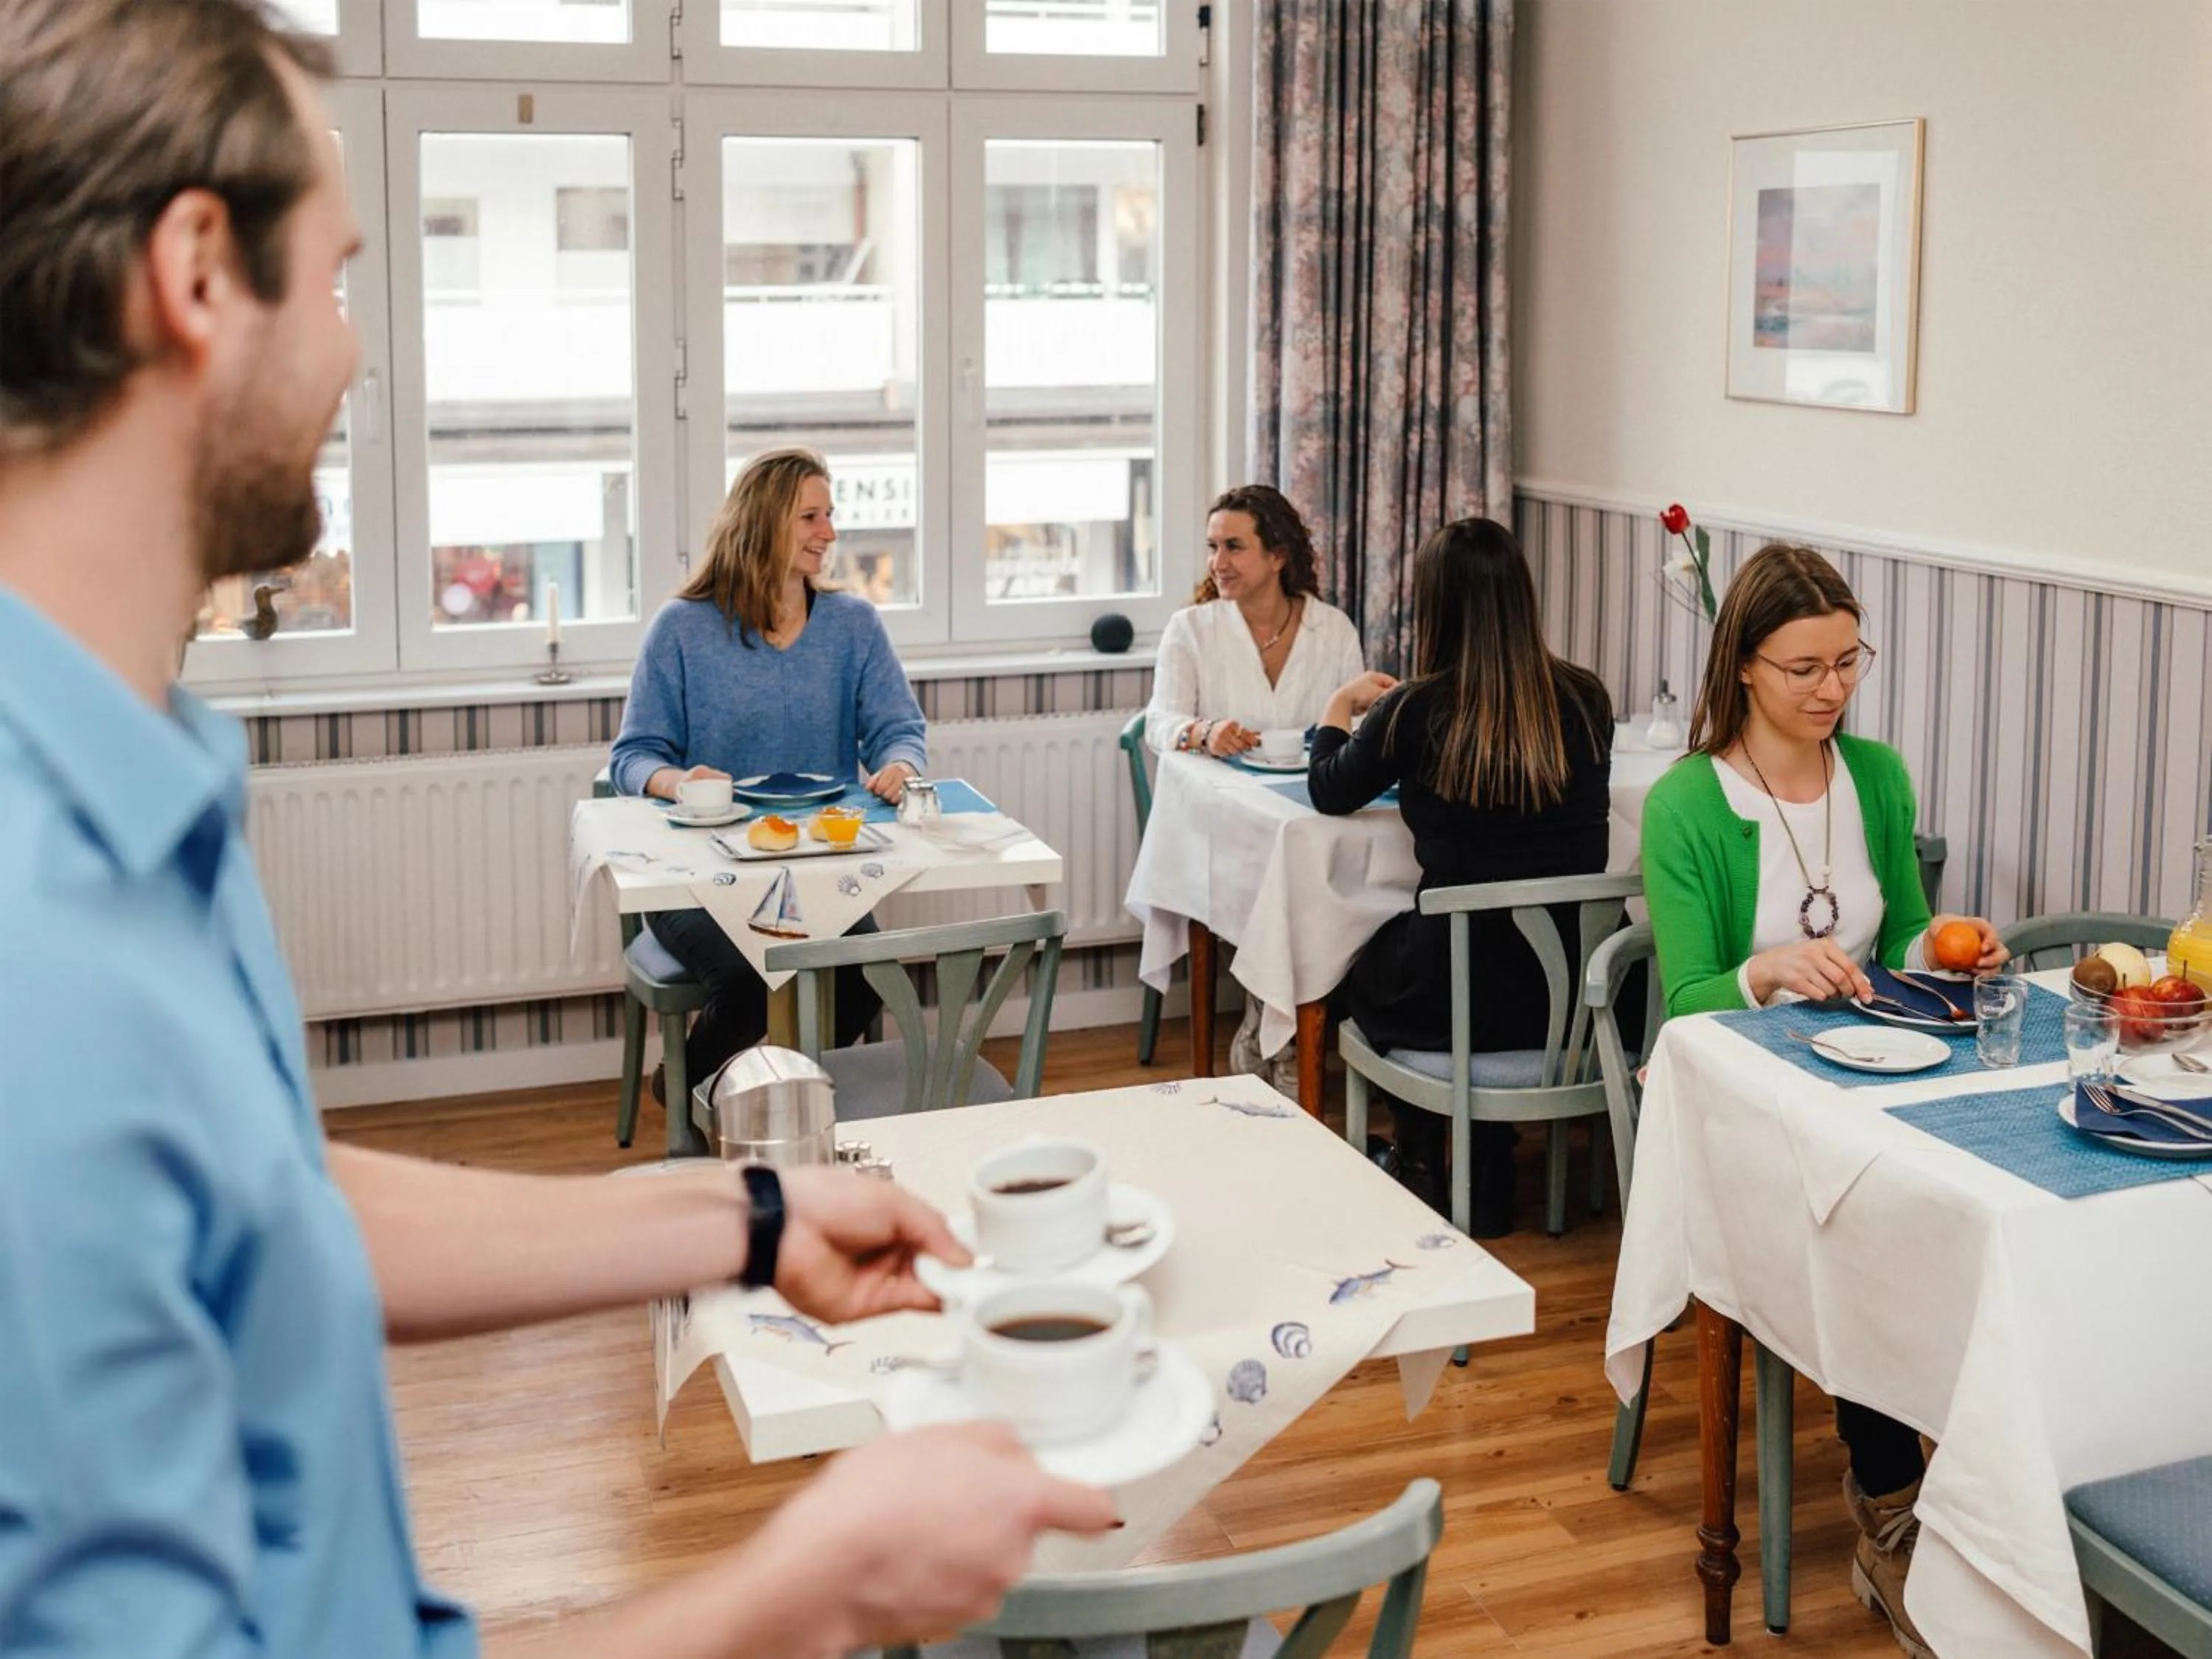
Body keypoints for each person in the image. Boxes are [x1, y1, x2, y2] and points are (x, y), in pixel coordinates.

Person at [0, 5, 1114, 1656]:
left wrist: (745, 1220)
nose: (359, 348)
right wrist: (807, 1585)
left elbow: (265, 1210)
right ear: (195, 275)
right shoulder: (36, 920)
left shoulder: (134, 768)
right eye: (339, 280)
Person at [1639, 541, 2007, 1659]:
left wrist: (1947, 944)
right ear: (1743, 665)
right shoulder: (1686, 803)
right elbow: (1687, 996)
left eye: (1849, 662)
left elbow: (1895, 932)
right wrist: (1767, 973)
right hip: (1737, 1096)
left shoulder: (1878, 775)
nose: (1833, 689)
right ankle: (1892, 1504)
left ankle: (1995, 1498)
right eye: (1804, 667)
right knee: (1861, 1228)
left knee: (1974, 1212)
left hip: (1874, 1075)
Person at [1307, 518, 1614, 1236]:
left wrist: (1337, 709)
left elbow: (1328, 789)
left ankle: (1420, 1155)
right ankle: (1489, 1160)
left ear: (1434, 606)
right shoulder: (1585, 699)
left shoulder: (1414, 710)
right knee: (1469, 956)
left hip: (1456, 994)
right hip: (1573, 992)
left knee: (1359, 970)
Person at [610, 447, 930, 1092]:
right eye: (811, 517)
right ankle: (700, 1094)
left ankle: (775, 1101)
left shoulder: (853, 626)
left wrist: (900, 763)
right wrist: (679, 783)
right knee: (750, 983)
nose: (830, 533)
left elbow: (900, 730)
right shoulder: (682, 629)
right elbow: (632, 756)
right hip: (698, 875)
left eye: (830, 515)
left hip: (819, 867)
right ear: (762, 523)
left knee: (863, 980)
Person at [1145, 484, 1370, 1082]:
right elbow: (1159, 722)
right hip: (1228, 824)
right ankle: (1277, 1033)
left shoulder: (1333, 629)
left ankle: (1286, 1031)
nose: (1218, 563)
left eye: (1235, 547)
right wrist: (1204, 730)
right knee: (1278, 875)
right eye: (1213, 547)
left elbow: (1361, 722)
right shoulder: (1191, 630)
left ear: (1278, 556)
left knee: (1338, 875)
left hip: (1314, 809)